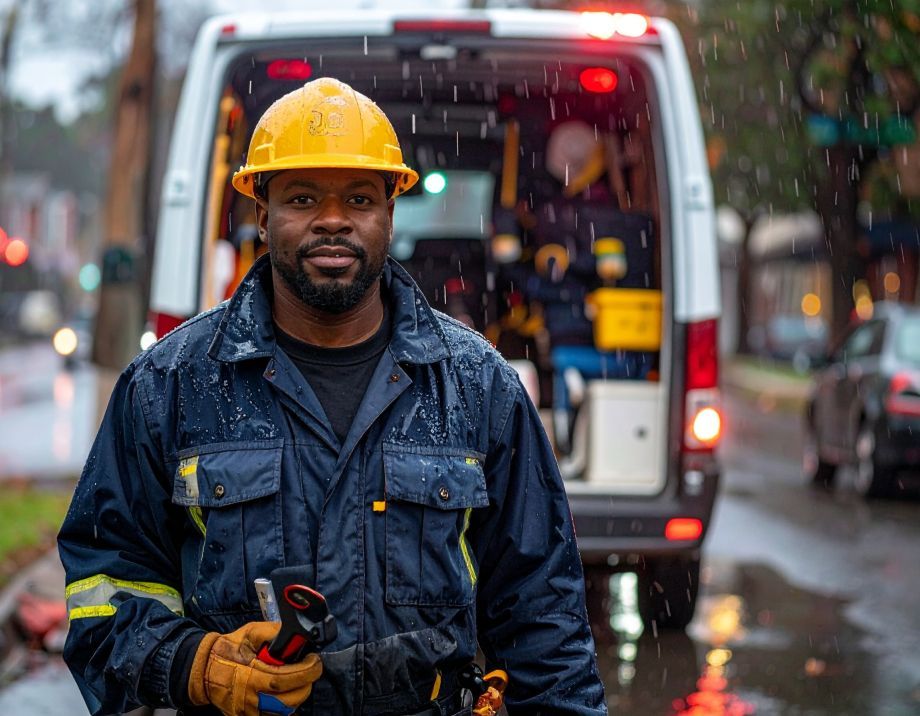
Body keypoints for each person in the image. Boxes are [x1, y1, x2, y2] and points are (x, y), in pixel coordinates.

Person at [58, 77, 606, 715]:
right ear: (261, 214)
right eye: (302, 196)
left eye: (359, 198)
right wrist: (196, 665)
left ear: (389, 213)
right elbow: (104, 590)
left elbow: (544, 618)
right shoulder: (170, 385)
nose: (333, 219)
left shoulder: (476, 386)